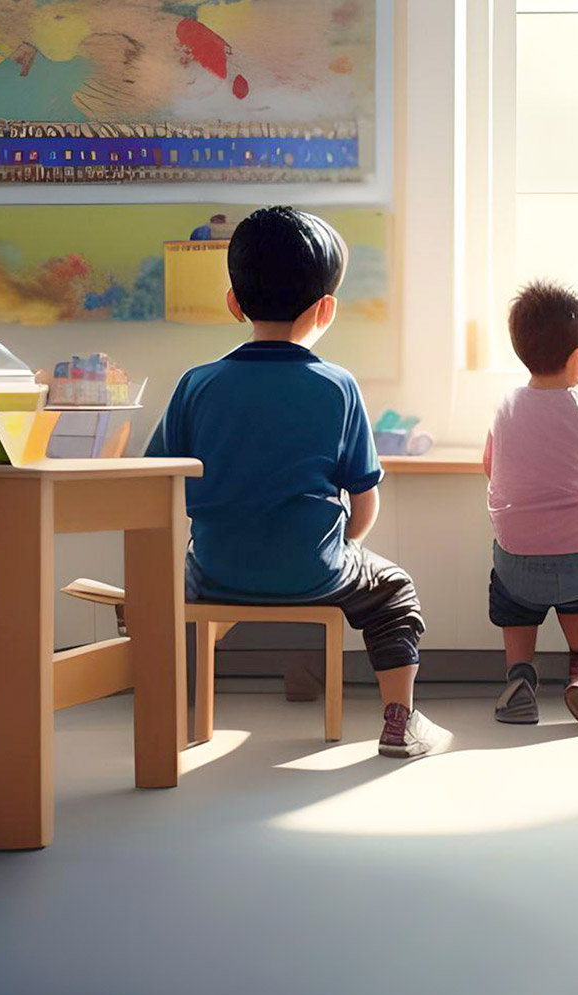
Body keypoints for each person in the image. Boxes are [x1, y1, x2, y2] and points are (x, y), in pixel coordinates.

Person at [146, 206, 451, 758]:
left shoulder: (197, 384)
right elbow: (364, 503)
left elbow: (155, 483)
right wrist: (346, 546)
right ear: (326, 308)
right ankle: (399, 722)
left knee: (181, 565)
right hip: (315, 572)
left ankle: (163, 707)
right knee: (394, 590)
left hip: (215, 569)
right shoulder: (337, 387)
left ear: (234, 303)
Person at [485, 280, 578, 730]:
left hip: (518, 565)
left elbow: (489, 465)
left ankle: (518, 679)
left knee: (512, 594)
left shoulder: (505, 405)